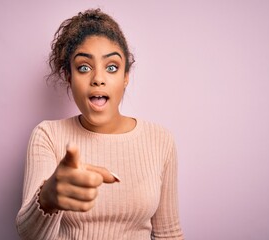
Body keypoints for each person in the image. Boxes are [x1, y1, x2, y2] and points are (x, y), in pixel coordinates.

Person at [16, 8, 184, 240]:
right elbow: (28, 235)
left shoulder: (160, 139)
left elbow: (169, 234)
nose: (98, 78)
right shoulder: (48, 136)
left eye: (112, 67)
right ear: (69, 77)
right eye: (84, 67)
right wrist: (47, 198)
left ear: (126, 76)